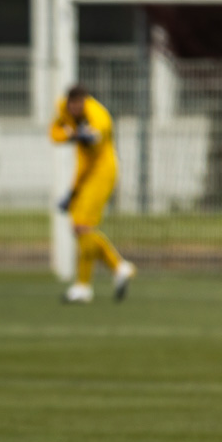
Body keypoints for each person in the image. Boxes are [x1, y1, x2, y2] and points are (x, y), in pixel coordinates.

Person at [49, 85, 135, 303]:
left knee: (82, 226)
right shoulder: (63, 108)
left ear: (85, 102)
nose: (75, 109)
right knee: (80, 229)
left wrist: (82, 136)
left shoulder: (99, 115)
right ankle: (113, 271)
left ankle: (91, 282)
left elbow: (96, 136)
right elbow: (54, 134)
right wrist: (71, 136)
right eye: (72, 105)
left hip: (103, 174)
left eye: (79, 105)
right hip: (85, 175)